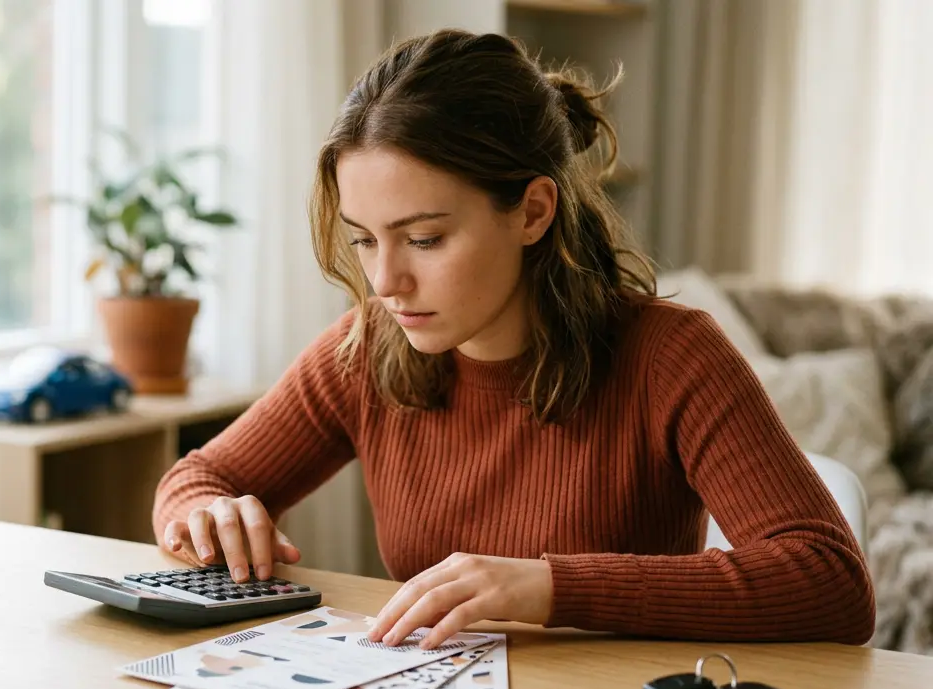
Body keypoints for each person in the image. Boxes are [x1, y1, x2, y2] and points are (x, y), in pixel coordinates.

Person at [150, 29, 875, 648]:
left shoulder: (671, 355)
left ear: (532, 212)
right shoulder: (366, 351)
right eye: (366, 241)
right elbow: (195, 480)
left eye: (425, 238)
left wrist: (548, 587)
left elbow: (828, 580)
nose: (386, 282)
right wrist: (205, 517)